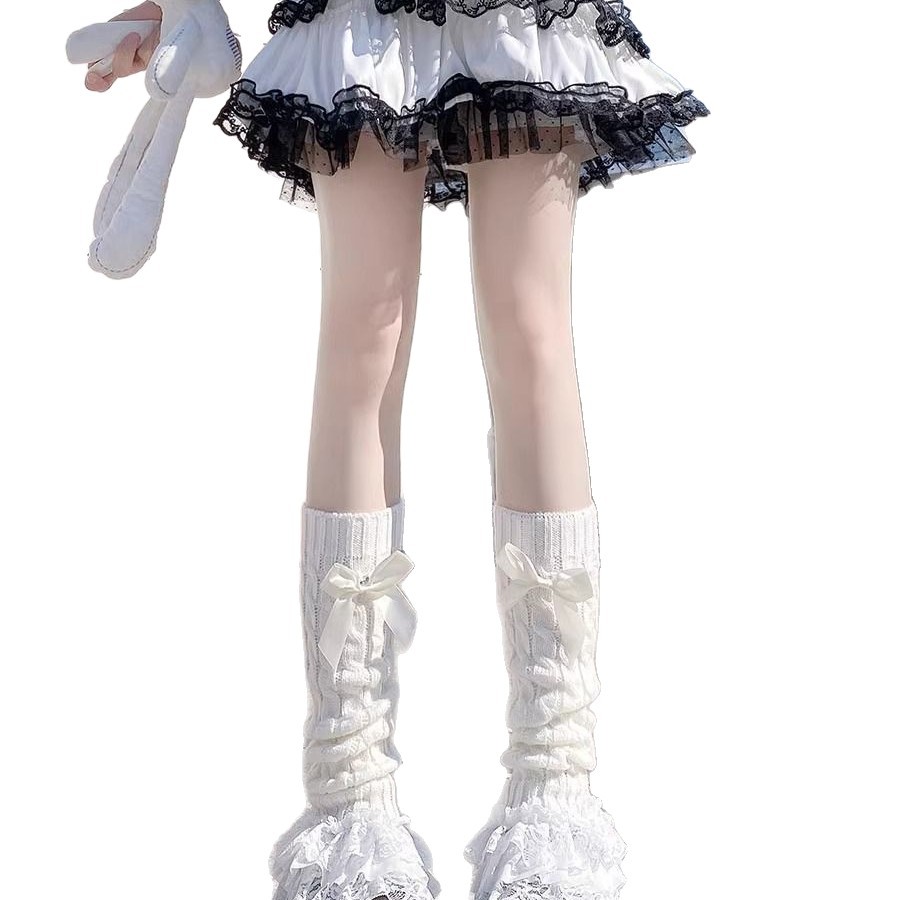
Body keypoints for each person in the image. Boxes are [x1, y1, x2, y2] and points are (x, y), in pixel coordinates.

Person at [79, 3, 710, 900]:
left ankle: (556, 784)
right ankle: (349, 791)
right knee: (364, 332)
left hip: (515, 15)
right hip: (358, 17)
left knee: (530, 328)